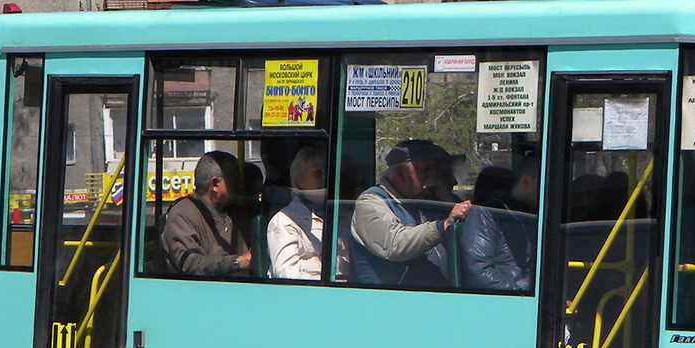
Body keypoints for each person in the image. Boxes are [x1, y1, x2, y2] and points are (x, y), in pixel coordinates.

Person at [350, 139, 471, 287]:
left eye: (438, 172)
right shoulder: (371, 202)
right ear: (400, 173)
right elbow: (394, 244)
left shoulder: (425, 202)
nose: (434, 177)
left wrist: (446, 198)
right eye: (426, 170)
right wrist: (442, 226)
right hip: (390, 300)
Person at [159, 150, 253, 277]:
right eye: (234, 180)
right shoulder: (183, 213)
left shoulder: (237, 213)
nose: (240, 186)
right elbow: (190, 263)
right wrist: (237, 263)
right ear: (214, 184)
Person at [267, 146, 350, 280]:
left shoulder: (343, 216)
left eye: (327, 173)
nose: (325, 178)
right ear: (300, 180)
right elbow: (285, 273)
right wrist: (330, 281)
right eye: (317, 173)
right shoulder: (284, 221)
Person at [461, 154, 539, 291]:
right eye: (544, 185)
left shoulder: (533, 217)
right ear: (525, 182)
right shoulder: (486, 214)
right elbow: (479, 271)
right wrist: (521, 295)